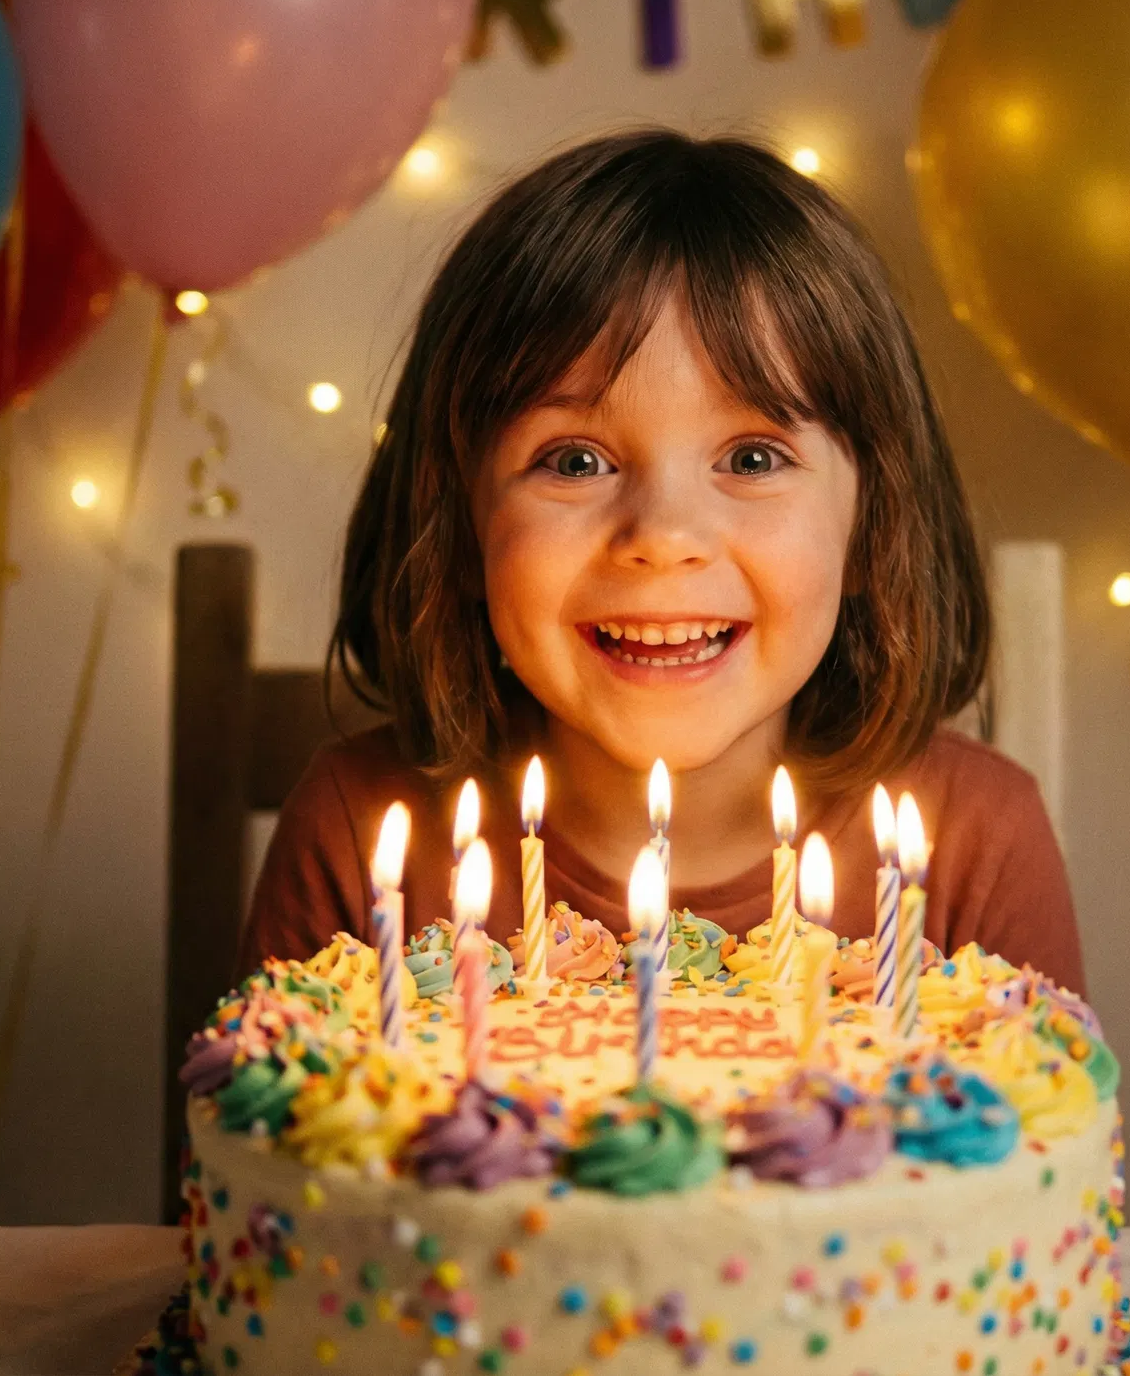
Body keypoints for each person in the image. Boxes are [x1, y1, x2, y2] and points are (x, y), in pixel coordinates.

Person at [239, 128, 1085, 995]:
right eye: (574, 460)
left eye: (752, 458)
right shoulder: (359, 834)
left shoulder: (975, 846)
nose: (664, 535)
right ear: (456, 528)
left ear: (875, 528)